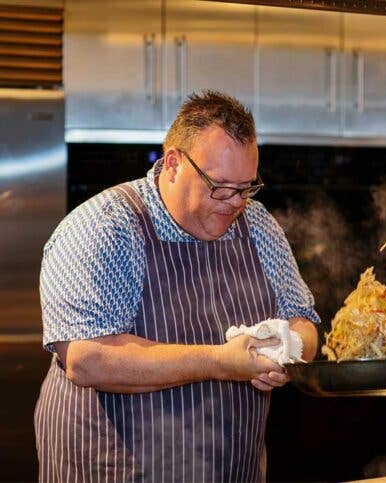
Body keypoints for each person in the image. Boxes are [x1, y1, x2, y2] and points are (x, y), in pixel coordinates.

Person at [33, 90, 320, 481]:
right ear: (172, 164)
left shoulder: (257, 225)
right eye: (219, 186)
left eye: (246, 187)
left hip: (229, 468)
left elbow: (303, 319)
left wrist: (287, 350)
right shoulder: (107, 226)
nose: (235, 202)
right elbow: (87, 359)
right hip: (113, 467)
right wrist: (222, 362)